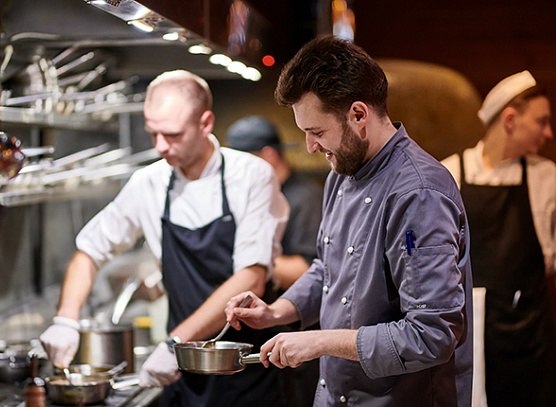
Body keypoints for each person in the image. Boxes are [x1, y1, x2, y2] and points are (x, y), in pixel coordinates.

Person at [223, 35, 473, 407]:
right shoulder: (340, 174)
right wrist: (277, 312)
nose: (310, 146)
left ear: (358, 115)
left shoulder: (419, 193)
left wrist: (320, 341)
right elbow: (328, 269)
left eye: (317, 132)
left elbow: (431, 335)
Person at [39, 69, 289, 407]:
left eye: (172, 134)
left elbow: (250, 278)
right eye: (153, 133)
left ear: (206, 123)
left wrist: (175, 343)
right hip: (180, 369)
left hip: (243, 365)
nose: (159, 146)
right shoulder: (149, 183)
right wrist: (65, 319)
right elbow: (89, 250)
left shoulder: (252, 176)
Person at [441, 70, 556, 406]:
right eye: (541, 122)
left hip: (530, 336)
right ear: (509, 119)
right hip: (467, 333)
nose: (548, 133)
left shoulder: (546, 178)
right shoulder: (449, 174)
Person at [226, 115, 324, 406]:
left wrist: (252, 260)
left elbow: (309, 269)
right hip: (273, 337)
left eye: (244, 162)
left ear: (268, 156)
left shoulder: (306, 198)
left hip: (303, 339)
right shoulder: (258, 198)